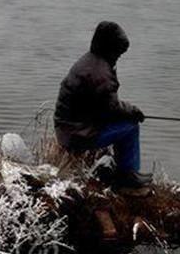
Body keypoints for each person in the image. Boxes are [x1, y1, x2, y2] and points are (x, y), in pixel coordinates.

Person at [54, 21, 152, 188]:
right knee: (130, 127)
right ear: (110, 48)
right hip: (77, 135)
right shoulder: (100, 73)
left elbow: (103, 106)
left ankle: (121, 171)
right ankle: (128, 176)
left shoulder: (89, 60)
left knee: (123, 123)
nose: (119, 57)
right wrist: (133, 111)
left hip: (67, 129)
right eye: (118, 53)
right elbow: (112, 109)